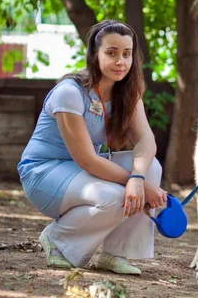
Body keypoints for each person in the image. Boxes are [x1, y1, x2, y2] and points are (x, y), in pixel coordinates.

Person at [17, 19, 167, 275]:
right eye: (111, 53)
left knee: (150, 166)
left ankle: (115, 253)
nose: (121, 61)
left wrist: (139, 177)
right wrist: (134, 181)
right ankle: (57, 239)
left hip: (82, 172)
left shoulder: (128, 92)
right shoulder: (70, 93)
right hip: (44, 172)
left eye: (127, 54)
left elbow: (146, 141)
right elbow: (86, 159)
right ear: (94, 55)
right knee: (118, 197)